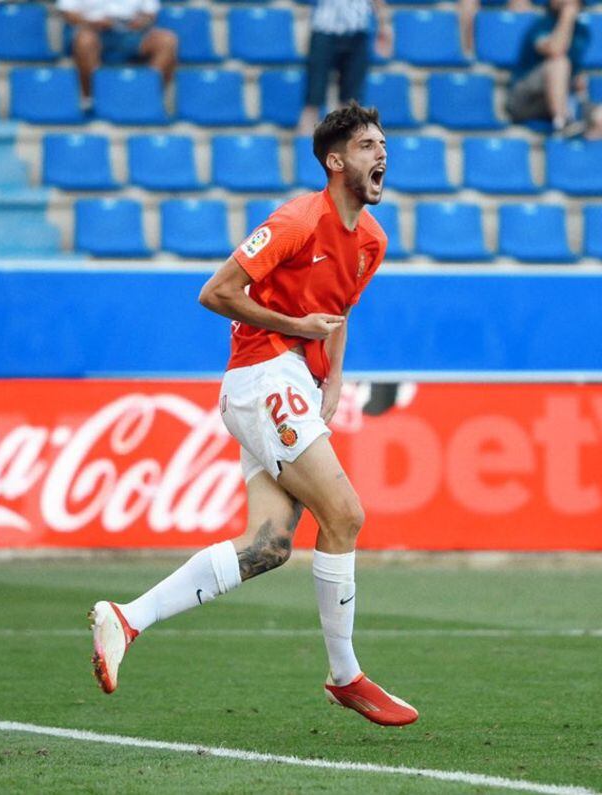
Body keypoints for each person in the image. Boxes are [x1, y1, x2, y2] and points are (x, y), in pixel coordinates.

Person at [89, 103, 418, 728]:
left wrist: (335, 379)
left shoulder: (371, 240)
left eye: (384, 143)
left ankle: (126, 619)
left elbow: (339, 312)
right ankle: (346, 676)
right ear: (335, 159)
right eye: (368, 144)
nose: (382, 153)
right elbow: (215, 293)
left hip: (292, 380)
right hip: (262, 374)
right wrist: (297, 330)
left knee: (268, 547)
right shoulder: (297, 220)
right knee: (344, 513)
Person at [505, 0, 602, 139]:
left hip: (562, 98)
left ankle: (575, 153)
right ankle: (563, 123)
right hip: (526, 100)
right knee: (559, 63)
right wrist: (567, 16)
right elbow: (556, 50)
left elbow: (574, 63)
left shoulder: (582, 31)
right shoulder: (541, 24)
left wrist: (577, 79)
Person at [57, 0, 178, 109]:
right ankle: (91, 99)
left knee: (167, 41)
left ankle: (146, 97)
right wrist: (92, 22)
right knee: (85, 41)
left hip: (130, 33)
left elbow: (151, 13)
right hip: (91, 30)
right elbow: (67, 12)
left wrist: (142, 21)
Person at [298, 0, 392, 136]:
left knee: (350, 103)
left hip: (357, 30)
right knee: (313, 100)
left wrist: (384, 24)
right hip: (325, 28)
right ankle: (305, 150)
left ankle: (345, 150)